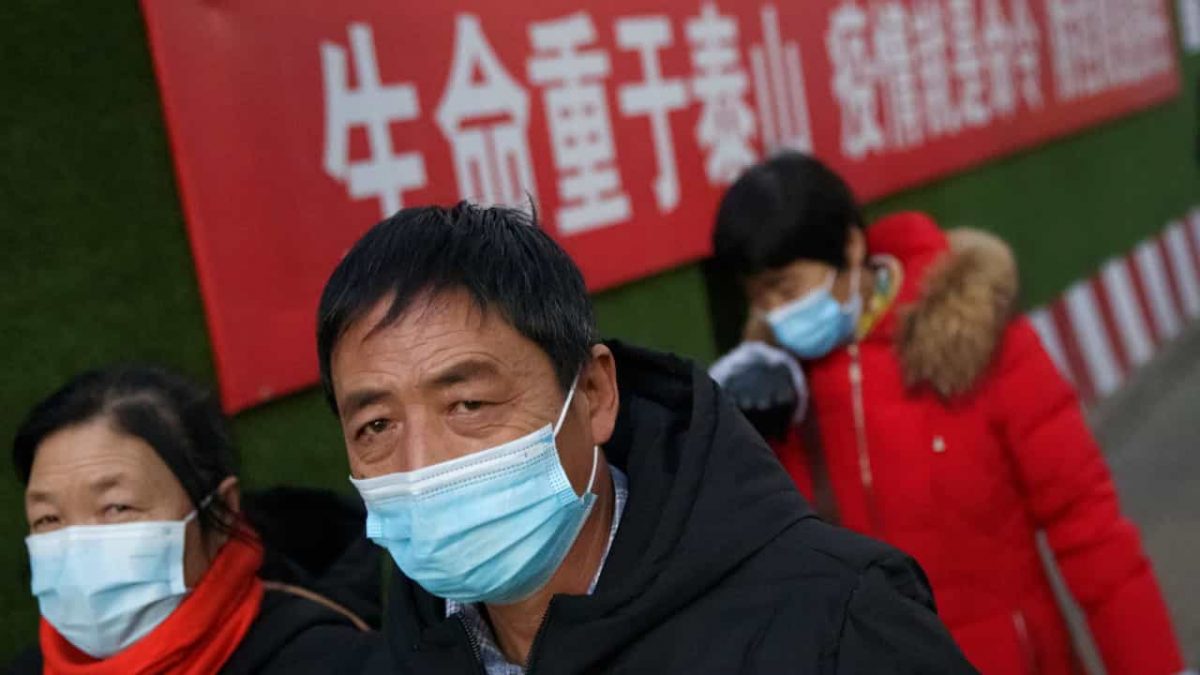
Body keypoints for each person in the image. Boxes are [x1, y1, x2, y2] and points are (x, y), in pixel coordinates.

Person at [316, 201, 977, 674]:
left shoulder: (834, 619)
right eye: (376, 426)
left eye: (468, 403)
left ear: (594, 394)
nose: (422, 464)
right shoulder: (398, 657)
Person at [711, 152, 1190, 675]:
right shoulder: (777, 391)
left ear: (850, 246)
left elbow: (1088, 528)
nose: (776, 313)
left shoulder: (977, 340)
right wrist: (744, 428)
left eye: (786, 288)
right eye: (758, 298)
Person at [9, 366, 377, 675]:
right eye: (48, 518)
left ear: (222, 509)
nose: (78, 548)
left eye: (117, 508)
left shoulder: (333, 661)